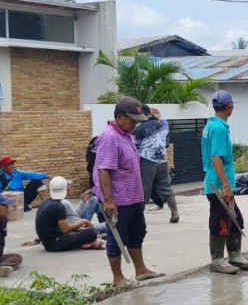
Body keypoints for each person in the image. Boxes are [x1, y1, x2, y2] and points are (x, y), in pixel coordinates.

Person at [93, 96, 164, 286]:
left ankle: (141, 270)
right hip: (119, 200)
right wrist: (108, 199)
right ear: (120, 117)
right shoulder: (109, 137)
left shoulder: (126, 135)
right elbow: (103, 170)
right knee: (117, 237)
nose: (135, 124)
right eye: (132, 120)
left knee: (137, 232)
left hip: (133, 197)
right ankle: (118, 277)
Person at [202, 90, 248, 274]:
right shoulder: (218, 129)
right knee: (221, 222)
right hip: (218, 184)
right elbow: (216, 158)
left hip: (217, 181)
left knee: (235, 219)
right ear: (230, 107)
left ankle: (234, 255)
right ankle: (217, 260)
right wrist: (225, 185)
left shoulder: (211, 125)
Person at [134, 105, 179, 223]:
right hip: (162, 161)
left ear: (142, 114)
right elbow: (166, 144)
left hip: (146, 162)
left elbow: (135, 147)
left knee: (143, 189)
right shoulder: (163, 126)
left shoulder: (139, 129)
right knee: (166, 186)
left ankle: (138, 218)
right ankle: (174, 212)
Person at [35, 176, 100, 252]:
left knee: (86, 231)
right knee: (91, 232)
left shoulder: (46, 202)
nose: (70, 188)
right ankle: (84, 243)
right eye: (68, 186)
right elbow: (66, 230)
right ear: (65, 189)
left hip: (49, 242)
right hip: (55, 243)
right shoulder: (59, 206)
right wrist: (84, 221)